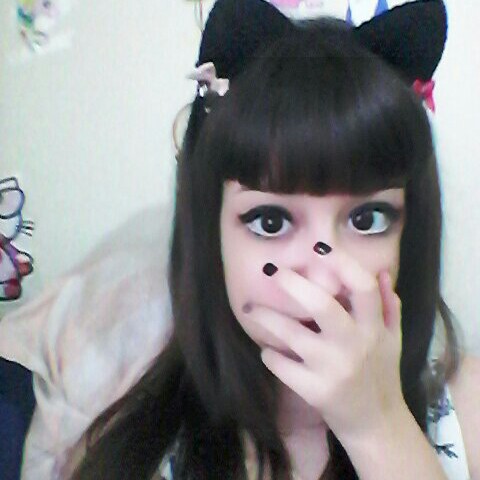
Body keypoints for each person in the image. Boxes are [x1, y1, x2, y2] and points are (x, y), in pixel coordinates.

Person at [1, 0, 479, 478]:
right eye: (270, 222)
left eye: (368, 219)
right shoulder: (133, 449)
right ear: (212, 236)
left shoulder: (468, 409)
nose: (322, 277)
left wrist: (378, 427)